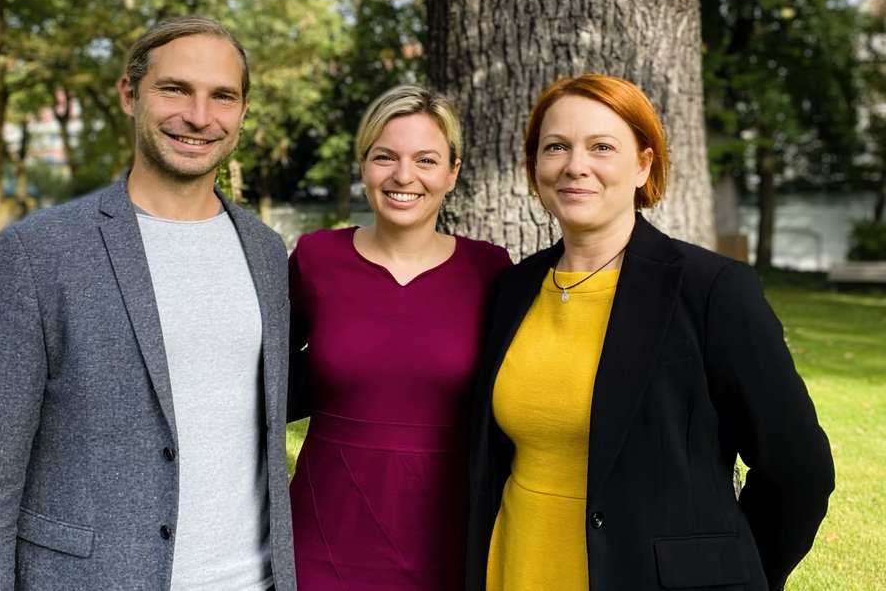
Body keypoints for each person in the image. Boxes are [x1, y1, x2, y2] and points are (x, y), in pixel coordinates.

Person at [0, 16, 295, 591]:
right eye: (175, 89)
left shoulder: (266, 252)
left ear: (242, 110)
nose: (199, 116)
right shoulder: (41, 251)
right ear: (130, 95)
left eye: (222, 96)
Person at [466, 74, 834, 591]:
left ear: (643, 164)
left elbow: (799, 471)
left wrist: (730, 570)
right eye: (556, 147)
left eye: (602, 147)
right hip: (517, 567)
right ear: (535, 166)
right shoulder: (513, 288)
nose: (576, 165)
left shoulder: (711, 289)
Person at [287, 86, 511, 590]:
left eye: (426, 160)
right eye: (385, 157)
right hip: (324, 541)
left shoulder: (490, 270)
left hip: (451, 542)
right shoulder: (317, 258)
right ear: (364, 165)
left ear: (452, 172)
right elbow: (259, 377)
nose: (403, 176)